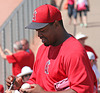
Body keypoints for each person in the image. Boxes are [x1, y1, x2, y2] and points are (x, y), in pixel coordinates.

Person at [6, 4, 97, 93]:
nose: (39, 35)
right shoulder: (43, 49)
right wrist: (21, 85)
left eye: (42, 30)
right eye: (37, 31)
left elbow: (83, 90)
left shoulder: (74, 52)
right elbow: (35, 81)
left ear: (56, 25)